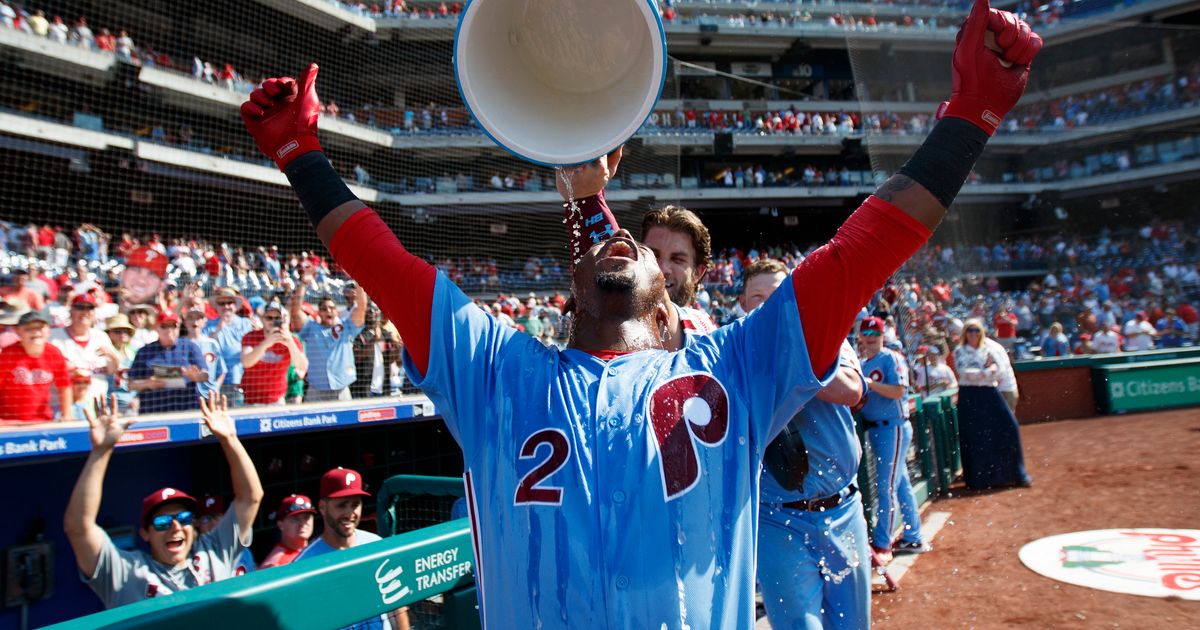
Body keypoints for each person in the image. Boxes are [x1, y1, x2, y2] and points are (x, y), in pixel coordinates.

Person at [239, 2, 1039, 623]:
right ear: (570, 292)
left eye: (644, 252)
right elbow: (382, 262)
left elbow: (867, 246)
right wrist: (299, 155)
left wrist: (973, 112)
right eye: (602, 245)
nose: (616, 247)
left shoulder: (732, 365)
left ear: (670, 310)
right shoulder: (495, 368)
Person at [739, 259, 874, 630]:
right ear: (743, 304)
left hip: (842, 507)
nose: (768, 306)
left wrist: (792, 360)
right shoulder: (734, 351)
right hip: (777, 517)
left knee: (853, 625)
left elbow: (853, 391)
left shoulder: (824, 335)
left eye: (779, 295)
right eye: (757, 297)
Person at [63, 392, 264, 608]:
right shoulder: (126, 572)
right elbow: (78, 528)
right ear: (145, 534)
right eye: (162, 523)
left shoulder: (214, 551)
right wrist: (100, 452)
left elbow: (251, 498)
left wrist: (229, 439)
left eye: (184, 518)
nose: (175, 527)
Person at [296, 468, 402, 630]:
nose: (349, 513)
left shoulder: (376, 544)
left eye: (355, 504)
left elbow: (398, 605)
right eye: (341, 505)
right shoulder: (305, 563)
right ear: (323, 507)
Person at [857, 316, 928, 560]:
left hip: (893, 427)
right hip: (876, 429)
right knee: (901, 485)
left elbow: (898, 391)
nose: (870, 338)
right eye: (866, 333)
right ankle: (913, 536)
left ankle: (883, 543)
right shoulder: (864, 362)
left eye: (874, 333)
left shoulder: (890, 357)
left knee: (885, 487)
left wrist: (870, 385)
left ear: (882, 335)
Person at [954, 318, 1032, 489]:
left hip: (989, 392)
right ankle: (979, 480)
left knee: (1009, 427)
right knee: (976, 436)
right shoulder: (960, 350)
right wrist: (986, 371)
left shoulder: (987, 349)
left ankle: (1013, 475)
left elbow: (998, 371)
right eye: (970, 331)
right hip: (970, 395)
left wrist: (982, 373)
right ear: (965, 333)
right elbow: (964, 372)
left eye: (976, 331)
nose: (973, 334)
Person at [289, 278, 366, 401]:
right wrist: (303, 283)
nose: (328, 311)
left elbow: (361, 308)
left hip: (342, 388)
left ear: (337, 311)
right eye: (324, 309)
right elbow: (295, 311)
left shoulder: (347, 327)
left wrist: (358, 281)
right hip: (315, 389)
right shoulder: (310, 327)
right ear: (319, 313)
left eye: (331, 308)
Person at [128, 313, 208, 414]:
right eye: (164, 326)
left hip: (186, 407)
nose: (169, 330)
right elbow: (131, 385)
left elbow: (205, 375)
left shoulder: (190, 347)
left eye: (173, 326)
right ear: (157, 328)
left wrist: (195, 376)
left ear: (178, 328)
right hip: (153, 409)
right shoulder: (145, 351)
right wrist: (148, 384)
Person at [0, 310, 72, 421]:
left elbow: (64, 385)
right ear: (18, 332)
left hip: (43, 420)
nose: (35, 332)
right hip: (9, 421)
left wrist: (66, 415)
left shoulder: (53, 353)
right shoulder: (8, 354)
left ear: (48, 331)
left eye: (40, 328)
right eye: (28, 329)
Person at [51, 293, 119, 408]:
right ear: (71, 311)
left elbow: (112, 370)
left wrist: (113, 357)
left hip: (96, 403)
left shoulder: (101, 336)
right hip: (63, 404)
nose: (84, 312)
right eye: (80, 308)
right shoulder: (53, 337)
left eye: (89, 308)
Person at [240, 302, 307, 405]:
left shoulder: (291, 339)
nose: (273, 321)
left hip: (276, 400)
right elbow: (246, 362)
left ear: (283, 320)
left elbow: (302, 367)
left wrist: (290, 344)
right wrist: (266, 343)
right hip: (251, 399)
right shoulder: (251, 337)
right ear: (262, 319)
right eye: (269, 318)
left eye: (277, 318)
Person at [204, 287, 254, 402]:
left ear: (235, 305)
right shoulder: (207, 326)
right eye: (222, 303)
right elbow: (204, 350)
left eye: (230, 302)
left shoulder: (247, 324)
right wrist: (218, 329)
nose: (226, 306)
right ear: (216, 306)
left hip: (241, 382)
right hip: (215, 383)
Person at [260, 494, 316, 568]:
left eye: (306, 517)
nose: (302, 523)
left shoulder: (319, 547)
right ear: (281, 525)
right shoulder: (276, 564)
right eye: (295, 519)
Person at [183, 308, 227, 399]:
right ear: (185, 322)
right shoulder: (180, 344)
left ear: (204, 322)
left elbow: (222, 370)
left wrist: (216, 388)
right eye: (190, 318)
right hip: (185, 395)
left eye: (198, 318)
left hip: (209, 395)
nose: (194, 321)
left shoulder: (212, 344)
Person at [104, 314, 139, 415]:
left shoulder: (134, 352)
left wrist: (136, 398)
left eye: (126, 331)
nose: (123, 334)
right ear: (108, 334)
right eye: (117, 331)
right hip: (109, 403)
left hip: (131, 403)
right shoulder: (104, 352)